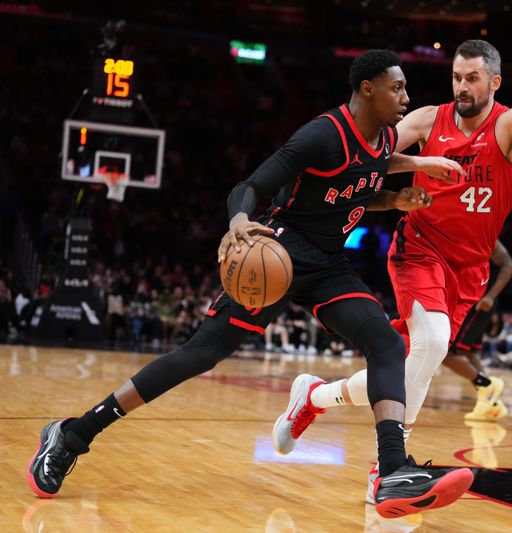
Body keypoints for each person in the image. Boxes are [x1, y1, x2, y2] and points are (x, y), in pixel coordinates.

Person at [28, 49, 474, 519]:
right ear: (367, 89)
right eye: (397, 88)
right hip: (279, 255)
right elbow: (250, 185)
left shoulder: (384, 139)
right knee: (200, 354)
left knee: (387, 345)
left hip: (327, 265)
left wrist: (402, 192)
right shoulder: (323, 134)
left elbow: (365, 187)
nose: (406, 97)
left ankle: (392, 472)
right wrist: (239, 218)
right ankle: (73, 434)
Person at [272, 8, 512, 501]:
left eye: (472, 78)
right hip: (420, 248)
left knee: (413, 363)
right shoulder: (429, 120)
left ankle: (315, 397)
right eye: (456, 77)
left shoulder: (509, 126)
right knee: (429, 344)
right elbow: (372, 154)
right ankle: (389, 470)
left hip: (469, 270)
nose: (462, 87)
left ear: (494, 81)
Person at [444, 240, 512, 421]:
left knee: (448, 352)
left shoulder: (487, 234)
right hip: (466, 296)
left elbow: (508, 265)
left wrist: (491, 296)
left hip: (479, 300)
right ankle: (491, 404)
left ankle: (487, 385)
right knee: (468, 353)